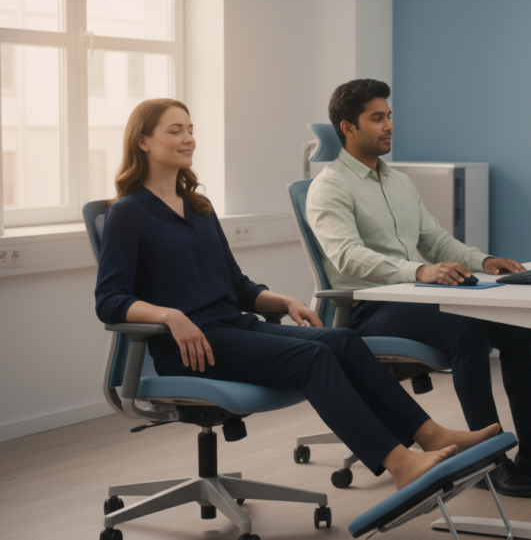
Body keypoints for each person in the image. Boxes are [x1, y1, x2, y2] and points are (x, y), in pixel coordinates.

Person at [94, 98, 501, 492]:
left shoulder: (198, 207)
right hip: (190, 346)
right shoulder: (128, 212)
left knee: (342, 339)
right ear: (143, 141)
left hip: (232, 327)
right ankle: (399, 463)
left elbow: (236, 286)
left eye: (191, 130)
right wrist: (170, 316)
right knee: (313, 356)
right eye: (175, 130)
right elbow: (110, 299)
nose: (188, 138)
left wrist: (284, 302)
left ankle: (429, 436)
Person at [305, 79, 531, 497]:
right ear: (348, 128)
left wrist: (485, 261)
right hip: (367, 308)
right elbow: (347, 257)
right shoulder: (329, 187)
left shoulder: (397, 180)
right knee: (468, 331)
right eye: (377, 118)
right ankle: (488, 463)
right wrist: (418, 272)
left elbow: (436, 240)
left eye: (389, 116)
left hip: (412, 298)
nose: (389, 125)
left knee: (514, 328)